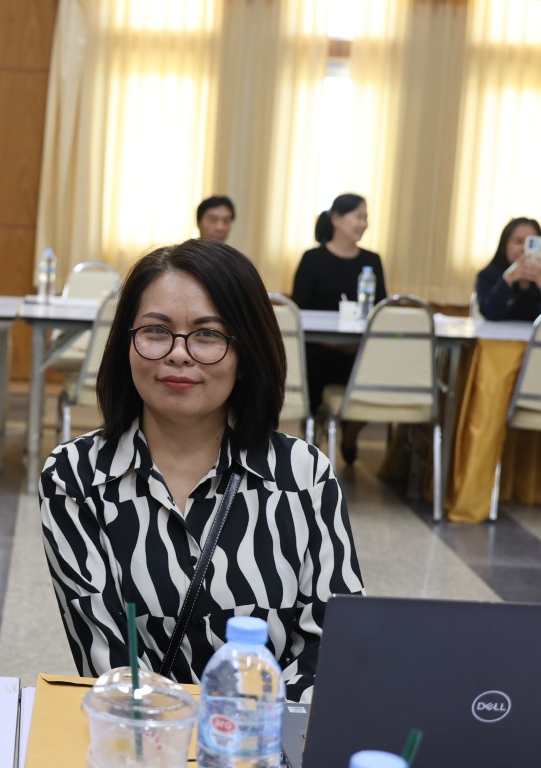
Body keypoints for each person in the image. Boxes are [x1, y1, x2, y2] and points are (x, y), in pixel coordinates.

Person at [40, 239, 364, 703]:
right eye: (156, 330)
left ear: (246, 353)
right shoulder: (75, 477)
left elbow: (334, 644)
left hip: (270, 736)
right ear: (126, 344)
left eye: (207, 334)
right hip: (143, 734)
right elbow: (108, 657)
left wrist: (247, 729)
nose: (179, 354)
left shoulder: (304, 474)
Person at [291, 193, 387, 464]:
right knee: (309, 369)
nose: (363, 223)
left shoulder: (372, 261)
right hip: (319, 352)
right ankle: (310, 436)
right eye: (358, 216)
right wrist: (332, 343)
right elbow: (299, 309)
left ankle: (351, 431)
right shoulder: (312, 258)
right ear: (336, 218)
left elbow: (381, 311)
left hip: (359, 352)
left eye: (366, 217)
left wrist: (355, 345)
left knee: (380, 371)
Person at [474, 217, 541, 321]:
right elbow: (489, 313)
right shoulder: (487, 275)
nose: (524, 248)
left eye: (531, 243)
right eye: (518, 241)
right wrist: (508, 279)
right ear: (505, 245)